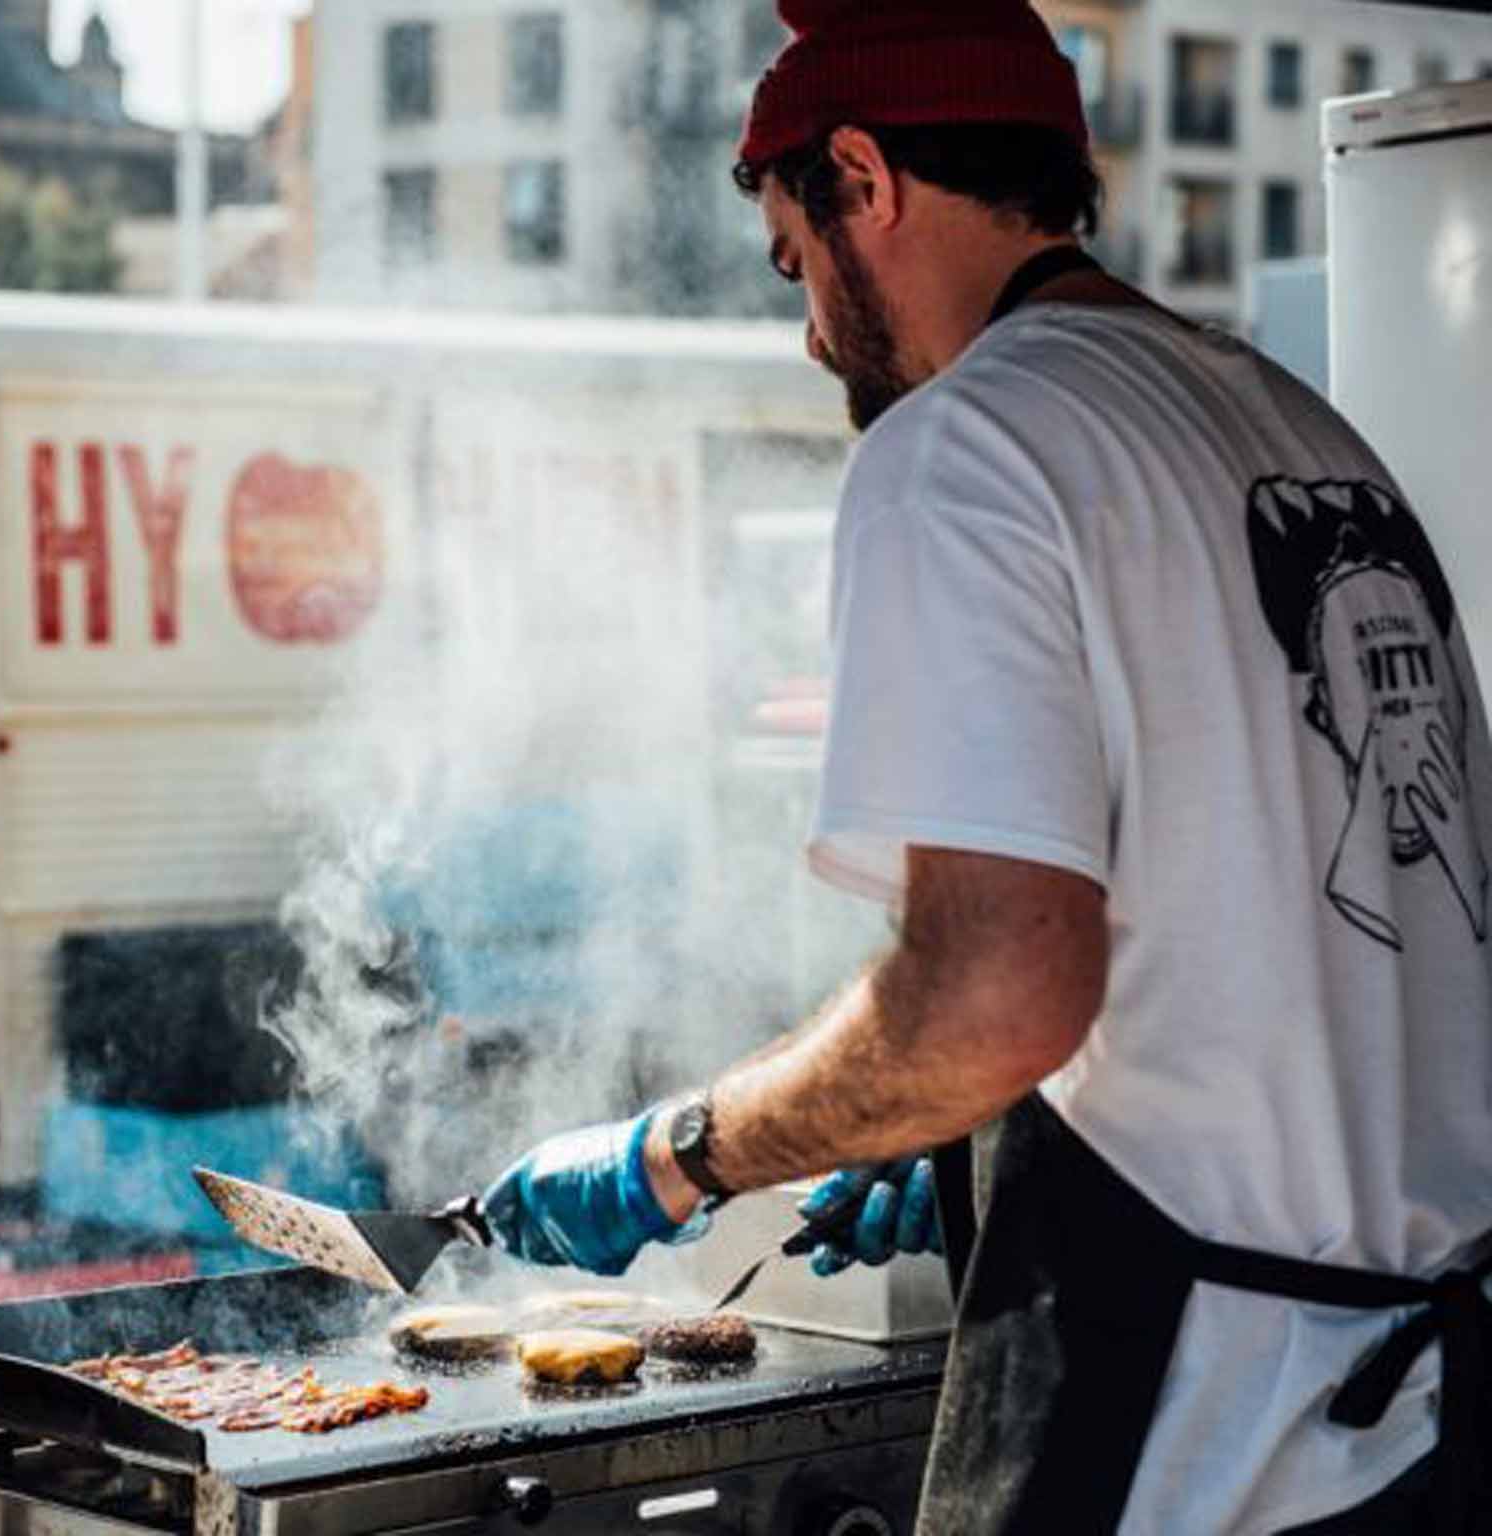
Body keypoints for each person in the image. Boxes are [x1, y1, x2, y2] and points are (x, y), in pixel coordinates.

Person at [477, 2, 1492, 1532]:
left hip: (1221, 1457)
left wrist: (677, 1156)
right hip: (1438, 1425)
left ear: (862, 179)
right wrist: (966, 1133)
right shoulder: (1299, 430)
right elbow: (1274, 928)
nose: (812, 328)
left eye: (794, 256)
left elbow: (990, 997)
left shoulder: (965, 447)